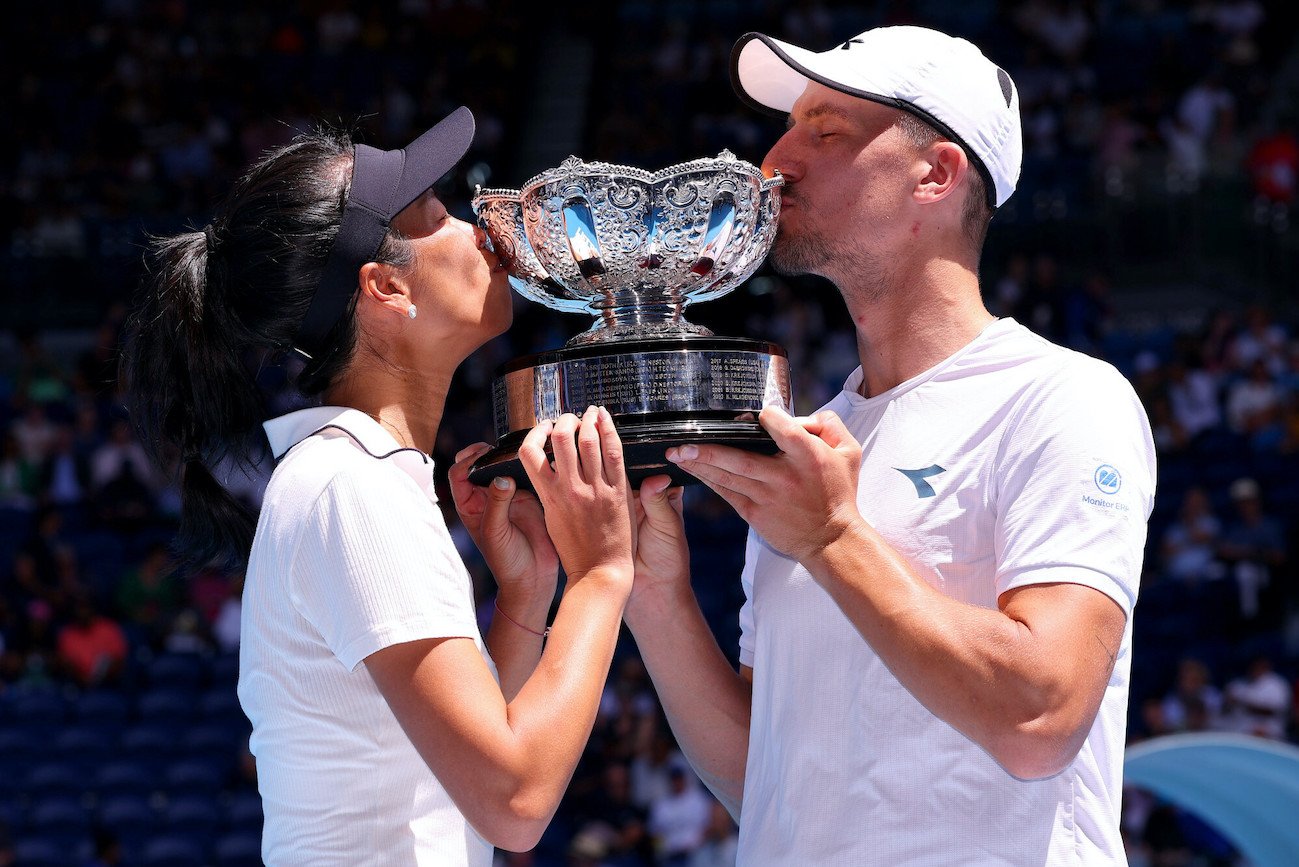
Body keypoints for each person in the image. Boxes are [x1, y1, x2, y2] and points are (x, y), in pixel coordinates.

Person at [624, 26, 1155, 864]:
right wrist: (652, 591)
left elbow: (1040, 719)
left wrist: (834, 540)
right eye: (790, 125)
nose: (776, 158)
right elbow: (760, 774)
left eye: (824, 130)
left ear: (935, 174)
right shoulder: (816, 440)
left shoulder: (1064, 397)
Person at [122, 107, 635, 865]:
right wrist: (602, 575)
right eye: (438, 212)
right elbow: (514, 801)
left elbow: (457, 776)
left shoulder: (349, 475)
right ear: (387, 286)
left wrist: (525, 603)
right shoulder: (350, 488)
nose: (478, 227)